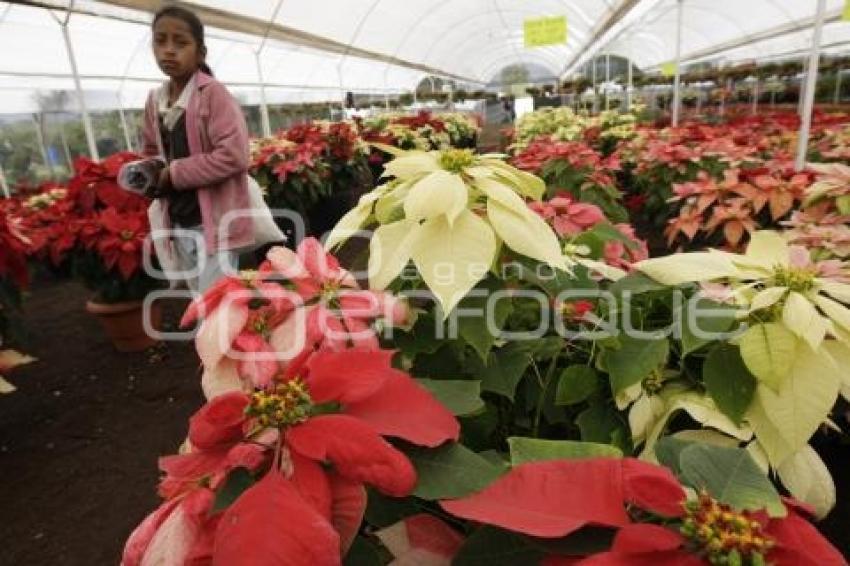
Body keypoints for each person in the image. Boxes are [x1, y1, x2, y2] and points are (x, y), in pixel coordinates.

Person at [139, 6, 281, 293]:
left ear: (200, 52)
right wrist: (149, 171)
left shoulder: (213, 95)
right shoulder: (156, 100)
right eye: (160, 40)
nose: (168, 50)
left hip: (215, 224)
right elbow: (152, 149)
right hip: (179, 222)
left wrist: (173, 174)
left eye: (180, 43)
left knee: (217, 309)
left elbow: (234, 156)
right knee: (205, 303)